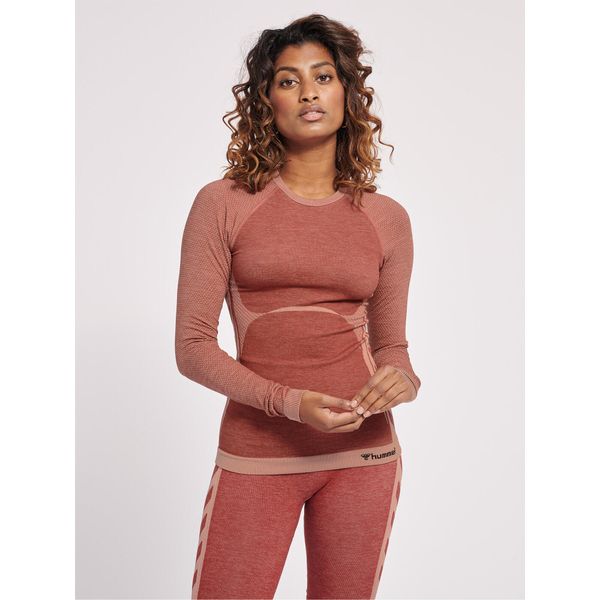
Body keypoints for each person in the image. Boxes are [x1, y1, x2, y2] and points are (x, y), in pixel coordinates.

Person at [175, 13, 421, 600]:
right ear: (267, 101)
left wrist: (402, 381)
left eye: (323, 76)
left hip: (364, 455)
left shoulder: (387, 218)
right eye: (289, 80)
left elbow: (393, 349)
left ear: (347, 93)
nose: (309, 92)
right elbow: (192, 347)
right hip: (257, 454)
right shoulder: (224, 204)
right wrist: (290, 404)